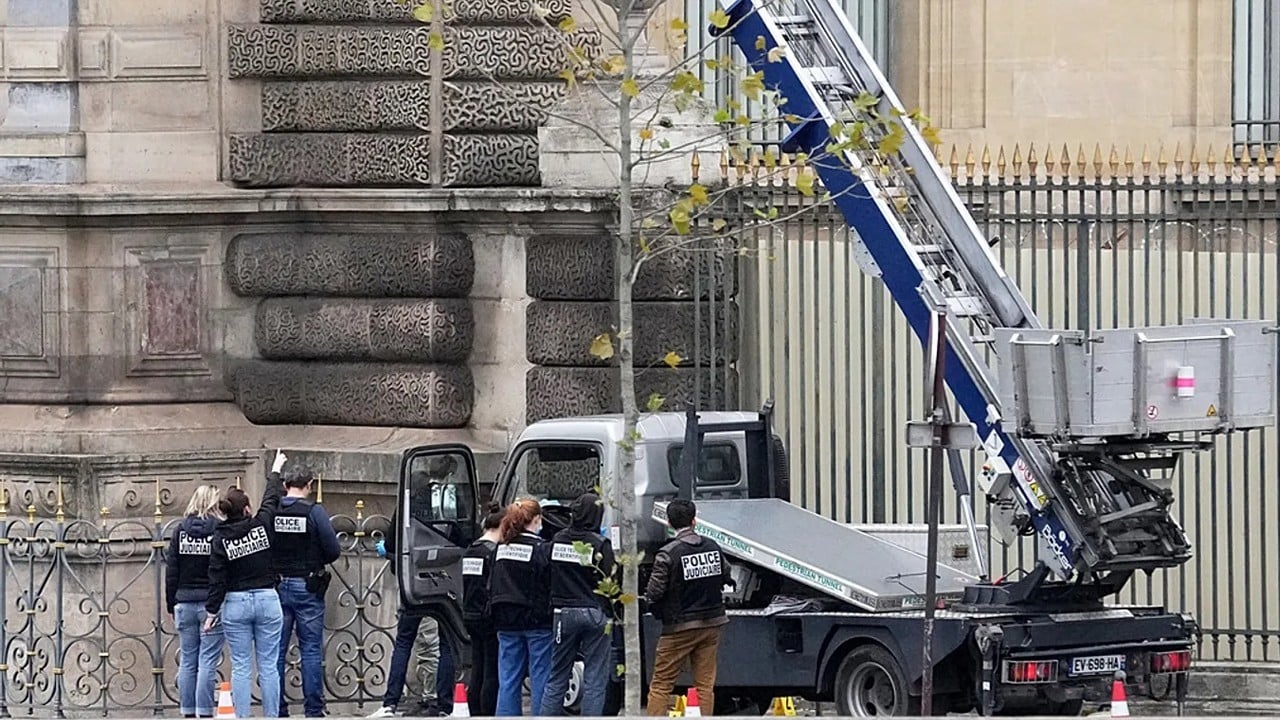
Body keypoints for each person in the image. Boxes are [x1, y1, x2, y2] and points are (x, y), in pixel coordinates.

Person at [206, 455, 287, 719]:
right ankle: (272, 715)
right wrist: (275, 469)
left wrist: (211, 612)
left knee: (241, 666)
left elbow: (216, 576)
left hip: (236, 602)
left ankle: (242, 717)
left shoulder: (220, 538)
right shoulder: (261, 525)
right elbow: (272, 499)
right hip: (266, 598)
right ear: (248, 510)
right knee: (269, 665)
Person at [642, 499, 733, 717]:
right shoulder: (712, 546)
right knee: (705, 685)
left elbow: (654, 592)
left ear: (669, 523)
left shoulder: (668, 553)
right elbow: (726, 574)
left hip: (678, 628)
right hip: (712, 623)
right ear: (694, 520)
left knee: (661, 684)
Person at [270, 463, 342, 718]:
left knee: (275, 652)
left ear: (284, 485)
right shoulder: (314, 511)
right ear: (309, 485)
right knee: (310, 649)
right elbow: (333, 550)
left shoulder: (274, 510)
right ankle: (313, 710)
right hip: (308, 585)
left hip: (277, 585)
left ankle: (277, 709)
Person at [539, 493, 615, 717]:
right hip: (595, 612)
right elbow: (611, 581)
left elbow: (545, 571)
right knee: (595, 678)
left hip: (564, 613)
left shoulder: (558, 540)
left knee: (557, 676)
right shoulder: (600, 544)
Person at [488, 499, 553, 716]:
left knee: (508, 678)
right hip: (537, 620)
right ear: (536, 520)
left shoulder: (500, 549)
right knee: (540, 677)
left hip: (505, 619)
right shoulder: (542, 549)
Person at [167, 485, 227, 718]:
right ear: (214, 503)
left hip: (184, 602)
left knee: (188, 660)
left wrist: (171, 603)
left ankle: (187, 711)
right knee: (208, 660)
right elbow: (221, 570)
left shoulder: (179, 531)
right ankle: (205, 712)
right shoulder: (219, 531)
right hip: (210, 604)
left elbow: (171, 572)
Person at [461, 502, 507, 717]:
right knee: (491, 671)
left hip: (470, 613)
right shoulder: (493, 552)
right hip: (488, 616)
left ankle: (475, 711)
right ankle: (487, 712)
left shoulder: (471, 550)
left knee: (477, 667)